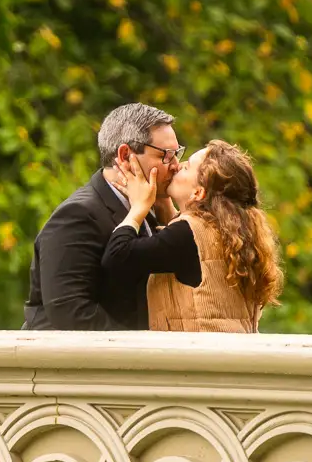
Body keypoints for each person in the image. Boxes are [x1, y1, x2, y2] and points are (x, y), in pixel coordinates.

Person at [22, 103, 185, 330]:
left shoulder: (146, 210)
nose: (176, 165)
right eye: (165, 156)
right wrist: (141, 351)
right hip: (70, 363)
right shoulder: (77, 215)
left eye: (177, 154)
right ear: (126, 155)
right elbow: (70, 311)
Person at [103, 139, 282, 333]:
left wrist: (138, 207)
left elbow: (117, 256)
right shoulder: (232, 230)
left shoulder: (188, 235)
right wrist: (164, 204)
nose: (177, 166)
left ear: (198, 192)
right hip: (232, 357)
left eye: (186, 167)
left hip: (199, 359)